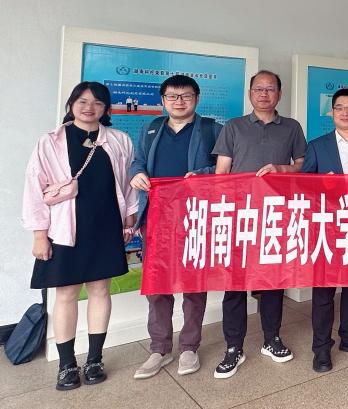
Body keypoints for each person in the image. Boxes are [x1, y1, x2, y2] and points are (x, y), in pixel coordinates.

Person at [23, 81, 138, 390]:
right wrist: (39, 235)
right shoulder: (50, 142)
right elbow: (34, 188)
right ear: (71, 104)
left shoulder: (119, 140)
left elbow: (127, 184)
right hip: (64, 229)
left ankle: (95, 359)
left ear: (106, 108)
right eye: (83, 101)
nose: (89, 107)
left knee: (100, 290)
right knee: (66, 294)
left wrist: (129, 220)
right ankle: (66, 364)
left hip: (106, 226)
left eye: (97, 102)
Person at [210, 70, 308, 378]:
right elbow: (221, 172)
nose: (264, 94)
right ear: (250, 93)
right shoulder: (234, 127)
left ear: (279, 94)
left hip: (276, 216)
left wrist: (282, 168)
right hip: (239, 216)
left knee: (273, 282)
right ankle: (233, 347)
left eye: (270, 89)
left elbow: (302, 165)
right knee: (235, 284)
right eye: (258, 89)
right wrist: (221, 210)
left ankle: (271, 339)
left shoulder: (292, 127)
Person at [129, 75, 222, 379]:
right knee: (158, 284)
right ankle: (159, 348)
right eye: (172, 96)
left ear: (197, 98)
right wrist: (137, 174)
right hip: (157, 217)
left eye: (186, 96)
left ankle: (189, 347)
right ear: (163, 100)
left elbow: (225, 166)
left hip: (195, 217)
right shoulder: (151, 128)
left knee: (193, 284)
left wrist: (202, 174)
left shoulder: (211, 129)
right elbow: (137, 161)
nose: (179, 101)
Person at [301, 88, 348, 372]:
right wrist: (322, 185)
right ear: (332, 112)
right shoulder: (317, 146)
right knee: (324, 290)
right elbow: (304, 187)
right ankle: (321, 347)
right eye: (339, 108)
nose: (345, 112)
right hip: (328, 226)